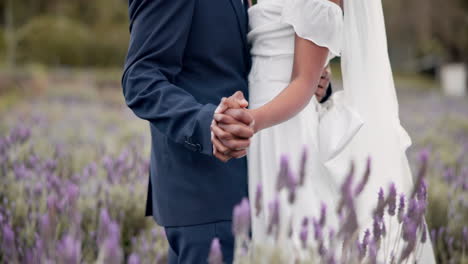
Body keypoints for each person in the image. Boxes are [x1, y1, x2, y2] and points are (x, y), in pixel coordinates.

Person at [212, 0, 436, 262]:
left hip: (284, 127)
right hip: (258, 121)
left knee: (296, 235)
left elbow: (304, 81)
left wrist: (250, 121)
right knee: (268, 236)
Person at [121, 0, 331, 263]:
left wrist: (310, 82)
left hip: (263, 177)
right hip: (205, 189)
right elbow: (140, 79)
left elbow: (244, 59)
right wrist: (206, 123)